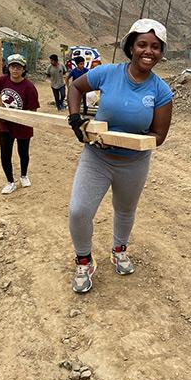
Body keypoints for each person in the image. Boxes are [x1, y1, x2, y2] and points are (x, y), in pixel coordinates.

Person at [67, 18, 174, 293]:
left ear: (161, 52)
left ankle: (119, 249)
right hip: (97, 158)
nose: (148, 51)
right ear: (131, 46)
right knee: (79, 211)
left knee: (125, 210)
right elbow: (75, 88)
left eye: (155, 47)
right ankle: (84, 260)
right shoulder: (108, 73)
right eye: (142, 45)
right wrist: (75, 117)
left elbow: (158, 136)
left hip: (133, 164)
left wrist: (129, 141)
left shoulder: (161, 91)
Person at [0, 53, 40, 194]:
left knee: (23, 152)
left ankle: (24, 175)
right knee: (5, 154)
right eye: (12, 67)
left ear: (24, 69)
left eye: (18, 67)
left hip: (23, 124)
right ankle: (10, 182)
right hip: (6, 123)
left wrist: (28, 120)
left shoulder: (29, 87)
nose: (15, 70)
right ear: (8, 68)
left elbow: (33, 109)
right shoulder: (2, 80)